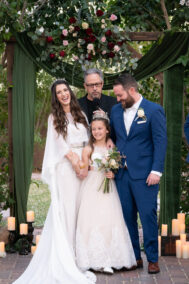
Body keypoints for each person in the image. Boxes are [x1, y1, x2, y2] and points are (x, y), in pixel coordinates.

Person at [13, 79, 96, 284]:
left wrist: (86, 162)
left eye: (65, 90)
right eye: (59, 92)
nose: (63, 94)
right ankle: (66, 257)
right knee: (67, 211)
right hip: (67, 169)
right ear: (56, 97)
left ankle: (79, 255)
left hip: (84, 164)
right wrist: (76, 164)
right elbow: (60, 146)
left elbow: (88, 141)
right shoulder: (54, 118)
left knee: (80, 210)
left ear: (70, 92)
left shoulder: (80, 114)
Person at [110, 73, 167, 274]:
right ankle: (134, 256)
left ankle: (152, 259)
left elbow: (160, 142)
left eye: (120, 95)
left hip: (146, 175)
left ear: (132, 90)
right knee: (127, 218)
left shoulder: (153, 110)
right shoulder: (116, 112)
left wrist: (156, 171)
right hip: (122, 174)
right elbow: (115, 138)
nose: (118, 99)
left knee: (148, 216)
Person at [76, 113, 137, 274]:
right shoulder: (88, 148)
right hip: (91, 187)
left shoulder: (112, 148)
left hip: (108, 187)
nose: (97, 132)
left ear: (107, 130)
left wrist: (113, 173)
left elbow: (116, 166)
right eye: (94, 129)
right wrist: (83, 168)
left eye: (100, 129)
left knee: (110, 218)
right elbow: (83, 169)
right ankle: (92, 259)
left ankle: (113, 258)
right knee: (92, 218)